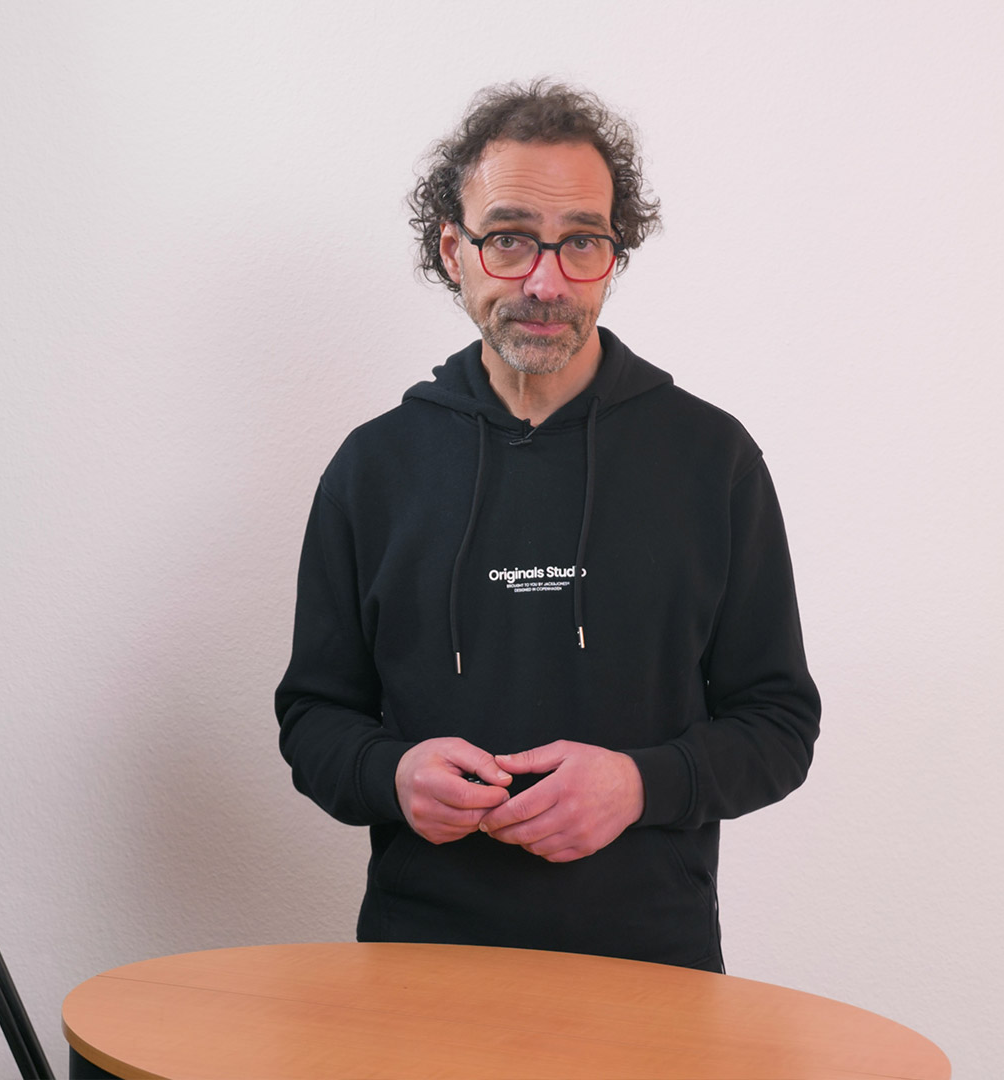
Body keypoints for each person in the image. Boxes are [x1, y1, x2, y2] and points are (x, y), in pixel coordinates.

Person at [274, 80, 819, 973]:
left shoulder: (711, 459)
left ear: (614, 255)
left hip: (653, 972)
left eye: (582, 243)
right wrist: (391, 776)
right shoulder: (374, 468)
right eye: (511, 238)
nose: (545, 281)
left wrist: (638, 785)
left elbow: (780, 723)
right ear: (453, 250)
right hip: (420, 969)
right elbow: (314, 717)